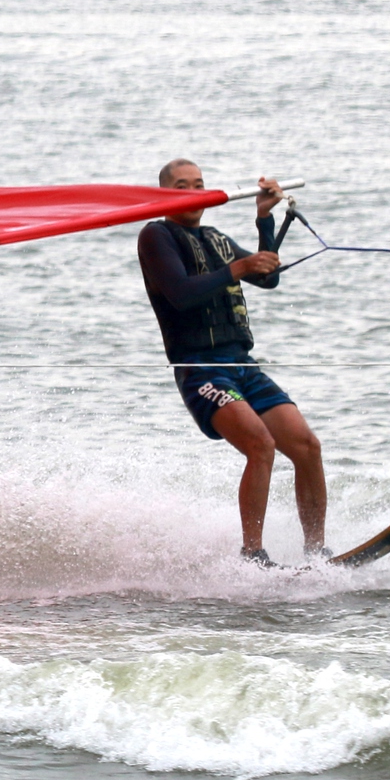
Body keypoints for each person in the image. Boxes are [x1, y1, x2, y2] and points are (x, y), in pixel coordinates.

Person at [138, 160, 327, 563]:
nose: (195, 192)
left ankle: (316, 553)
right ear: (167, 194)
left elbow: (267, 275)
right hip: (200, 368)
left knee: (307, 447)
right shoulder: (156, 236)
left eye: (200, 185)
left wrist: (264, 218)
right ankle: (253, 555)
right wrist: (236, 268)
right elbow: (181, 294)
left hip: (243, 364)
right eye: (183, 186)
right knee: (261, 445)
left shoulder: (216, 237)